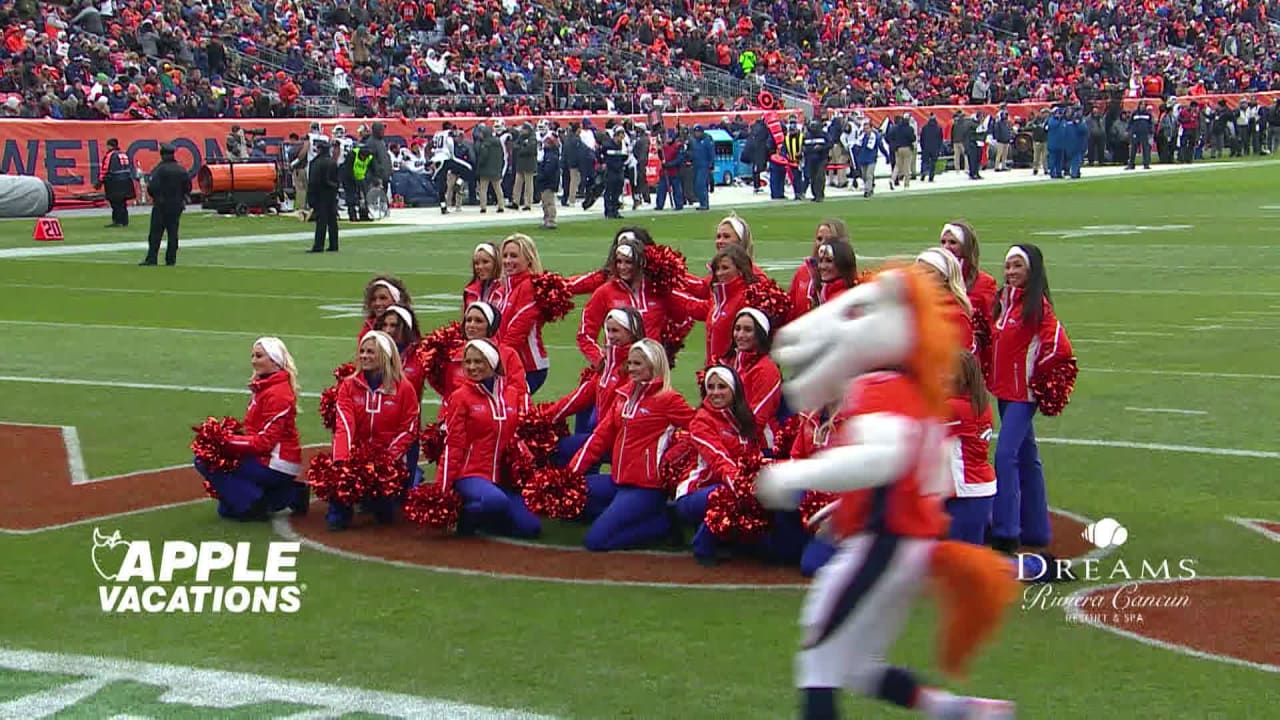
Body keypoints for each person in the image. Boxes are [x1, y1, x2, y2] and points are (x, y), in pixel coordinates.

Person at [755, 265, 1018, 720]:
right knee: (855, 665)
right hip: (902, 544)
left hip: (885, 544)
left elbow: (883, 459)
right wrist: (849, 505)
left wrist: (795, 475)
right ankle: (964, 712)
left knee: (818, 657)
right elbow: (922, 476)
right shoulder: (916, 391)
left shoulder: (882, 387)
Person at [568, 339, 695, 551]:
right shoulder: (623, 397)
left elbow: (699, 429)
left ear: (653, 365)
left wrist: (676, 452)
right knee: (573, 495)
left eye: (638, 364)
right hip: (618, 480)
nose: (631, 369)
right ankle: (628, 514)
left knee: (596, 541)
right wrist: (570, 474)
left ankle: (662, 524)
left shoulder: (668, 399)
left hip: (645, 488)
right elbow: (599, 438)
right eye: (630, 363)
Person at [989, 244, 1073, 554]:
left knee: (1005, 455)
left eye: (1017, 266)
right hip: (1002, 392)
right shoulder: (1002, 301)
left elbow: (1059, 347)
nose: (1010, 272)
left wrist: (1038, 378)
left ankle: (1007, 531)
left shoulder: (1037, 308)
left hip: (1023, 395)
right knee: (1026, 455)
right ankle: (1036, 528)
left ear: (1032, 271)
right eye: (1008, 266)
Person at [194, 337, 307, 520]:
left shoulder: (278, 394)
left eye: (259, 356)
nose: (254, 360)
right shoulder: (264, 387)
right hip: (265, 458)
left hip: (277, 462)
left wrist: (224, 441)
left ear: (274, 360)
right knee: (226, 510)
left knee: (206, 459)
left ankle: (256, 503)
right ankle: (290, 494)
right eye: (253, 355)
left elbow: (264, 443)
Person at [438, 338, 541, 538]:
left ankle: (485, 515)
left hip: (502, 477)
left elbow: (515, 436)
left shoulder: (510, 394)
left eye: (478, 362)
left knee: (530, 527)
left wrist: (528, 467)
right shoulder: (461, 397)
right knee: (496, 501)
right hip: (470, 474)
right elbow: (454, 445)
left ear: (493, 363)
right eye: (467, 362)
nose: (471, 367)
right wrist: (441, 490)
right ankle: (464, 515)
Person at [328, 330, 420, 531]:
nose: (364, 356)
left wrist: (386, 460)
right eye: (362, 351)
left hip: (388, 458)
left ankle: (392, 494)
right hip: (357, 454)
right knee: (339, 481)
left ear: (385, 356)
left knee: (385, 516)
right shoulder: (349, 385)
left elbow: (409, 430)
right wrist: (343, 461)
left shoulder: (404, 388)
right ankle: (340, 512)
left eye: (371, 352)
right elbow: (344, 424)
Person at [547, 307, 645, 467]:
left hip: (619, 442)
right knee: (558, 451)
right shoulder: (609, 364)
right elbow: (579, 397)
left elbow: (617, 416)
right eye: (608, 331)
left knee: (560, 451)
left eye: (616, 331)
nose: (610, 336)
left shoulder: (635, 368)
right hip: (604, 436)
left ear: (631, 333)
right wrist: (544, 418)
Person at [945, 351, 996, 545]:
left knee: (962, 557)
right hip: (974, 490)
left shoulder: (956, 408)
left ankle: (1035, 566)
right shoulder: (977, 402)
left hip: (968, 492)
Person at [496, 234, 551, 393]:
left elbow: (518, 329)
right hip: (507, 362)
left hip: (529, 366)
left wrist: (499, 359)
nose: (507, 261)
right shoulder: (503, 289)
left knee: (511, 407)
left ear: (529, 259)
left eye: (514, 256)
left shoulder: (530, 286)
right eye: (505, 256)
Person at [789, 220, 851, 322]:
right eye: (819, 239)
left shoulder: (847, 280)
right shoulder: (803, 272)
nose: (822, 243)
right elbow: (791, 313)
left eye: (829, 239)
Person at [140, 143, 190, 267]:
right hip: (176, 205)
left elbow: (152, 187)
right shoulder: (181, 169)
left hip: (161, 205)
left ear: (162, 155)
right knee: (173, 234)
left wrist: (157, 198)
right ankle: (171, 260)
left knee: (155, 234)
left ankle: (152, 258)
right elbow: (187, 187)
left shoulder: (159, 169)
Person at [307, 140, 340, 253]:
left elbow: (313, 182)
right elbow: (336, 181)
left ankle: (318, 245)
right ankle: (334, 244)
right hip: (331, 194)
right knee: (332, 221)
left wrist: (310, 198)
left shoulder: (315, 163)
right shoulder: (332, 162)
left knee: (321, 221)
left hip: (320, 195)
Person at [96, 138, 135, 228]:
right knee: (123, 203)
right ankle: (124, 221)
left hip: (115, 182)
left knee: (116, 203)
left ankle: (117, 221)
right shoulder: (123, 154)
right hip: (126, 181)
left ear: (109, 145)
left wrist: (100, 181)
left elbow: (105, 169)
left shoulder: (110, 155)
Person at [359, 276, 412, 340]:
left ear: (396, 300)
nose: (377, 303)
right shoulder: (367, 330)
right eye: (373, 299)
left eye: (383, 298)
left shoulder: (408, 328)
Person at [462, 244, 505, 312]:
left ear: (496, 263)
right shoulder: (469, 291)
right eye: (476, 263)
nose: (480, 267)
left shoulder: (506, 290)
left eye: (485, 262)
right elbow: (464, 320)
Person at [537, 132, 560, 230]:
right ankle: (547, 220)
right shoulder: (550, 154)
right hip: (547, 182)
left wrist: (541, 176)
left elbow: (549, 170)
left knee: (549, 203)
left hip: (548, 183)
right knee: (545, 203)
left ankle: (550, 221)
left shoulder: (550, 156)